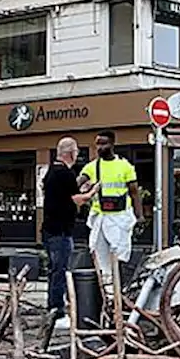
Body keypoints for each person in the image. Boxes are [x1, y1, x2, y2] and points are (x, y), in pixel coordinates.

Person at [44, 137, 99, 326]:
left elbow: (66, 195)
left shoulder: (52, 171)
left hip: (50, 229)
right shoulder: (65, 173)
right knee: (60, 270)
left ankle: (53, 306)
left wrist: (82, 190)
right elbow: (75, 199)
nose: (77, 155)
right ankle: (57, 312)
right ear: (70, 153)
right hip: (61, 231)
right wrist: (92, 193)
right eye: (76, 151)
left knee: (54, 271)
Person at [78, 130, 141, 282]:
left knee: (120, 256)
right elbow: (78, 182)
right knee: (99, 257)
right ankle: (107, 290)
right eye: (98, 144)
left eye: (103, 143)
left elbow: (134, 192)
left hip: (120, 217)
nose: (100, 147)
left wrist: (139, 215)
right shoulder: (92, 167)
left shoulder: (125, 166)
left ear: (112, 144)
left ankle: (120, 288)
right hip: (100, 217)